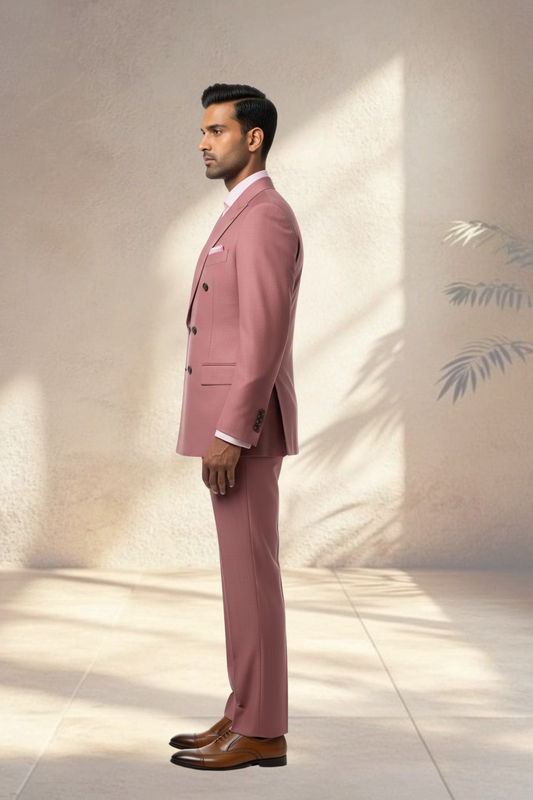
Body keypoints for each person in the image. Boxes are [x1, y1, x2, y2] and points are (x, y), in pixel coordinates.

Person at [170, 83, 303, 771]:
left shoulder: (264, 216)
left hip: (242, 429)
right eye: (202, 130)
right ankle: (244, 710)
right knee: (241, 578)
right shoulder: (240, 212)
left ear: (253, 138)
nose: (202, 142)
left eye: (216, 130)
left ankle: (263, 729)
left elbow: (264, 334)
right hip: (232, 425)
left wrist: (233, 431)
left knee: (251, 577)